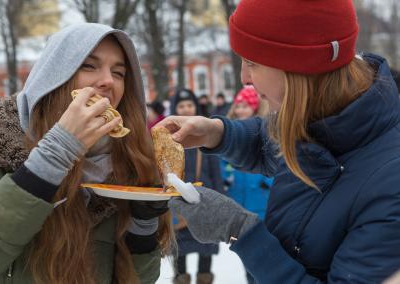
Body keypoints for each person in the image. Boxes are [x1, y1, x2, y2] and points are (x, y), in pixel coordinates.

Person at [155, 0, 400, 283]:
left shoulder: (390, 187)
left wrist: (240, 230)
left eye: (252, 63)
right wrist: (218, 133)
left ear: (299, 69)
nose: (244, 78)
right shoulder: (326, 120)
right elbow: (276, 142)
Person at [0, 23, 172, 284]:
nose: (108, 81)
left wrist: (143, 226)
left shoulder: (128, 159)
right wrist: (56, 152)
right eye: (89, 66)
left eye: (119, 72)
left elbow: (139, 279)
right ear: (53, 75)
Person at [171, 89, 224, 284]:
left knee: (205, 255)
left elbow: (216, 174)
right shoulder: (169, 138)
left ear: (195, 107)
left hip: (206, 205)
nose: (186, 109)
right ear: (175, 109)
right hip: (179, 206)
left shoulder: (206, 136)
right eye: (181, 105)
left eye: (189, 105)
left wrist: (220, 202)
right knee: (179, 258)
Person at [223, 85, 273, 284]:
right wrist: (224, 178)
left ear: (255, 107)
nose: (240, 110)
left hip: (261, 202)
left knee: (263, 253)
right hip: (238, 201)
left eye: (245, 106)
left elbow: (276, 162)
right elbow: (221, 160)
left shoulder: (264, 130)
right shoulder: (229, 133)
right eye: (238, 106)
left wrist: (265, 182)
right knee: (245, 251)